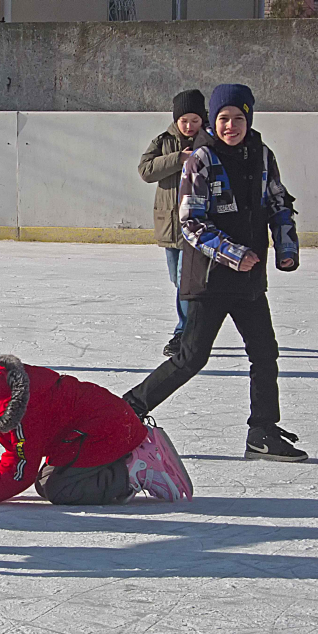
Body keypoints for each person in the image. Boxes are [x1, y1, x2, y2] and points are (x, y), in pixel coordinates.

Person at [123, 84, 306, 463]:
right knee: (191, 358)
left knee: (265, 353)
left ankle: (262, 432)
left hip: (249, 280)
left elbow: (277, 202)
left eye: (238, 118)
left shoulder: (262, 154)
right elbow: (191, 222)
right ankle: (127, 411)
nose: (231, 126)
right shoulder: (201, 159)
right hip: (209, 278)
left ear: (248, 118)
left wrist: (286, 248)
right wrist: (235, 254)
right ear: (213, 120)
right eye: (223, 119)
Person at [0, 339, 192, 506]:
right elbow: (15, 454)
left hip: (107, 432)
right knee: (47, 481)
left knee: (58, 488)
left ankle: (131, 471)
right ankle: (128, 458)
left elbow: (22, 469)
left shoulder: (14, 410)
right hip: (100, 427)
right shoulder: (2, 396)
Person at [138, 89, 207, 357]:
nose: (189, 126)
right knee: (177, 280)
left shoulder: (211, 141)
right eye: (184, 120)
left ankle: (184, 331)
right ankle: (192, 326)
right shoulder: (163, 141)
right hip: (171, 223)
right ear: (175, 120)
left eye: (195, 120)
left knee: (186, 279)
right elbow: (145, 171)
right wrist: (178, 159)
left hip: (200, 224)